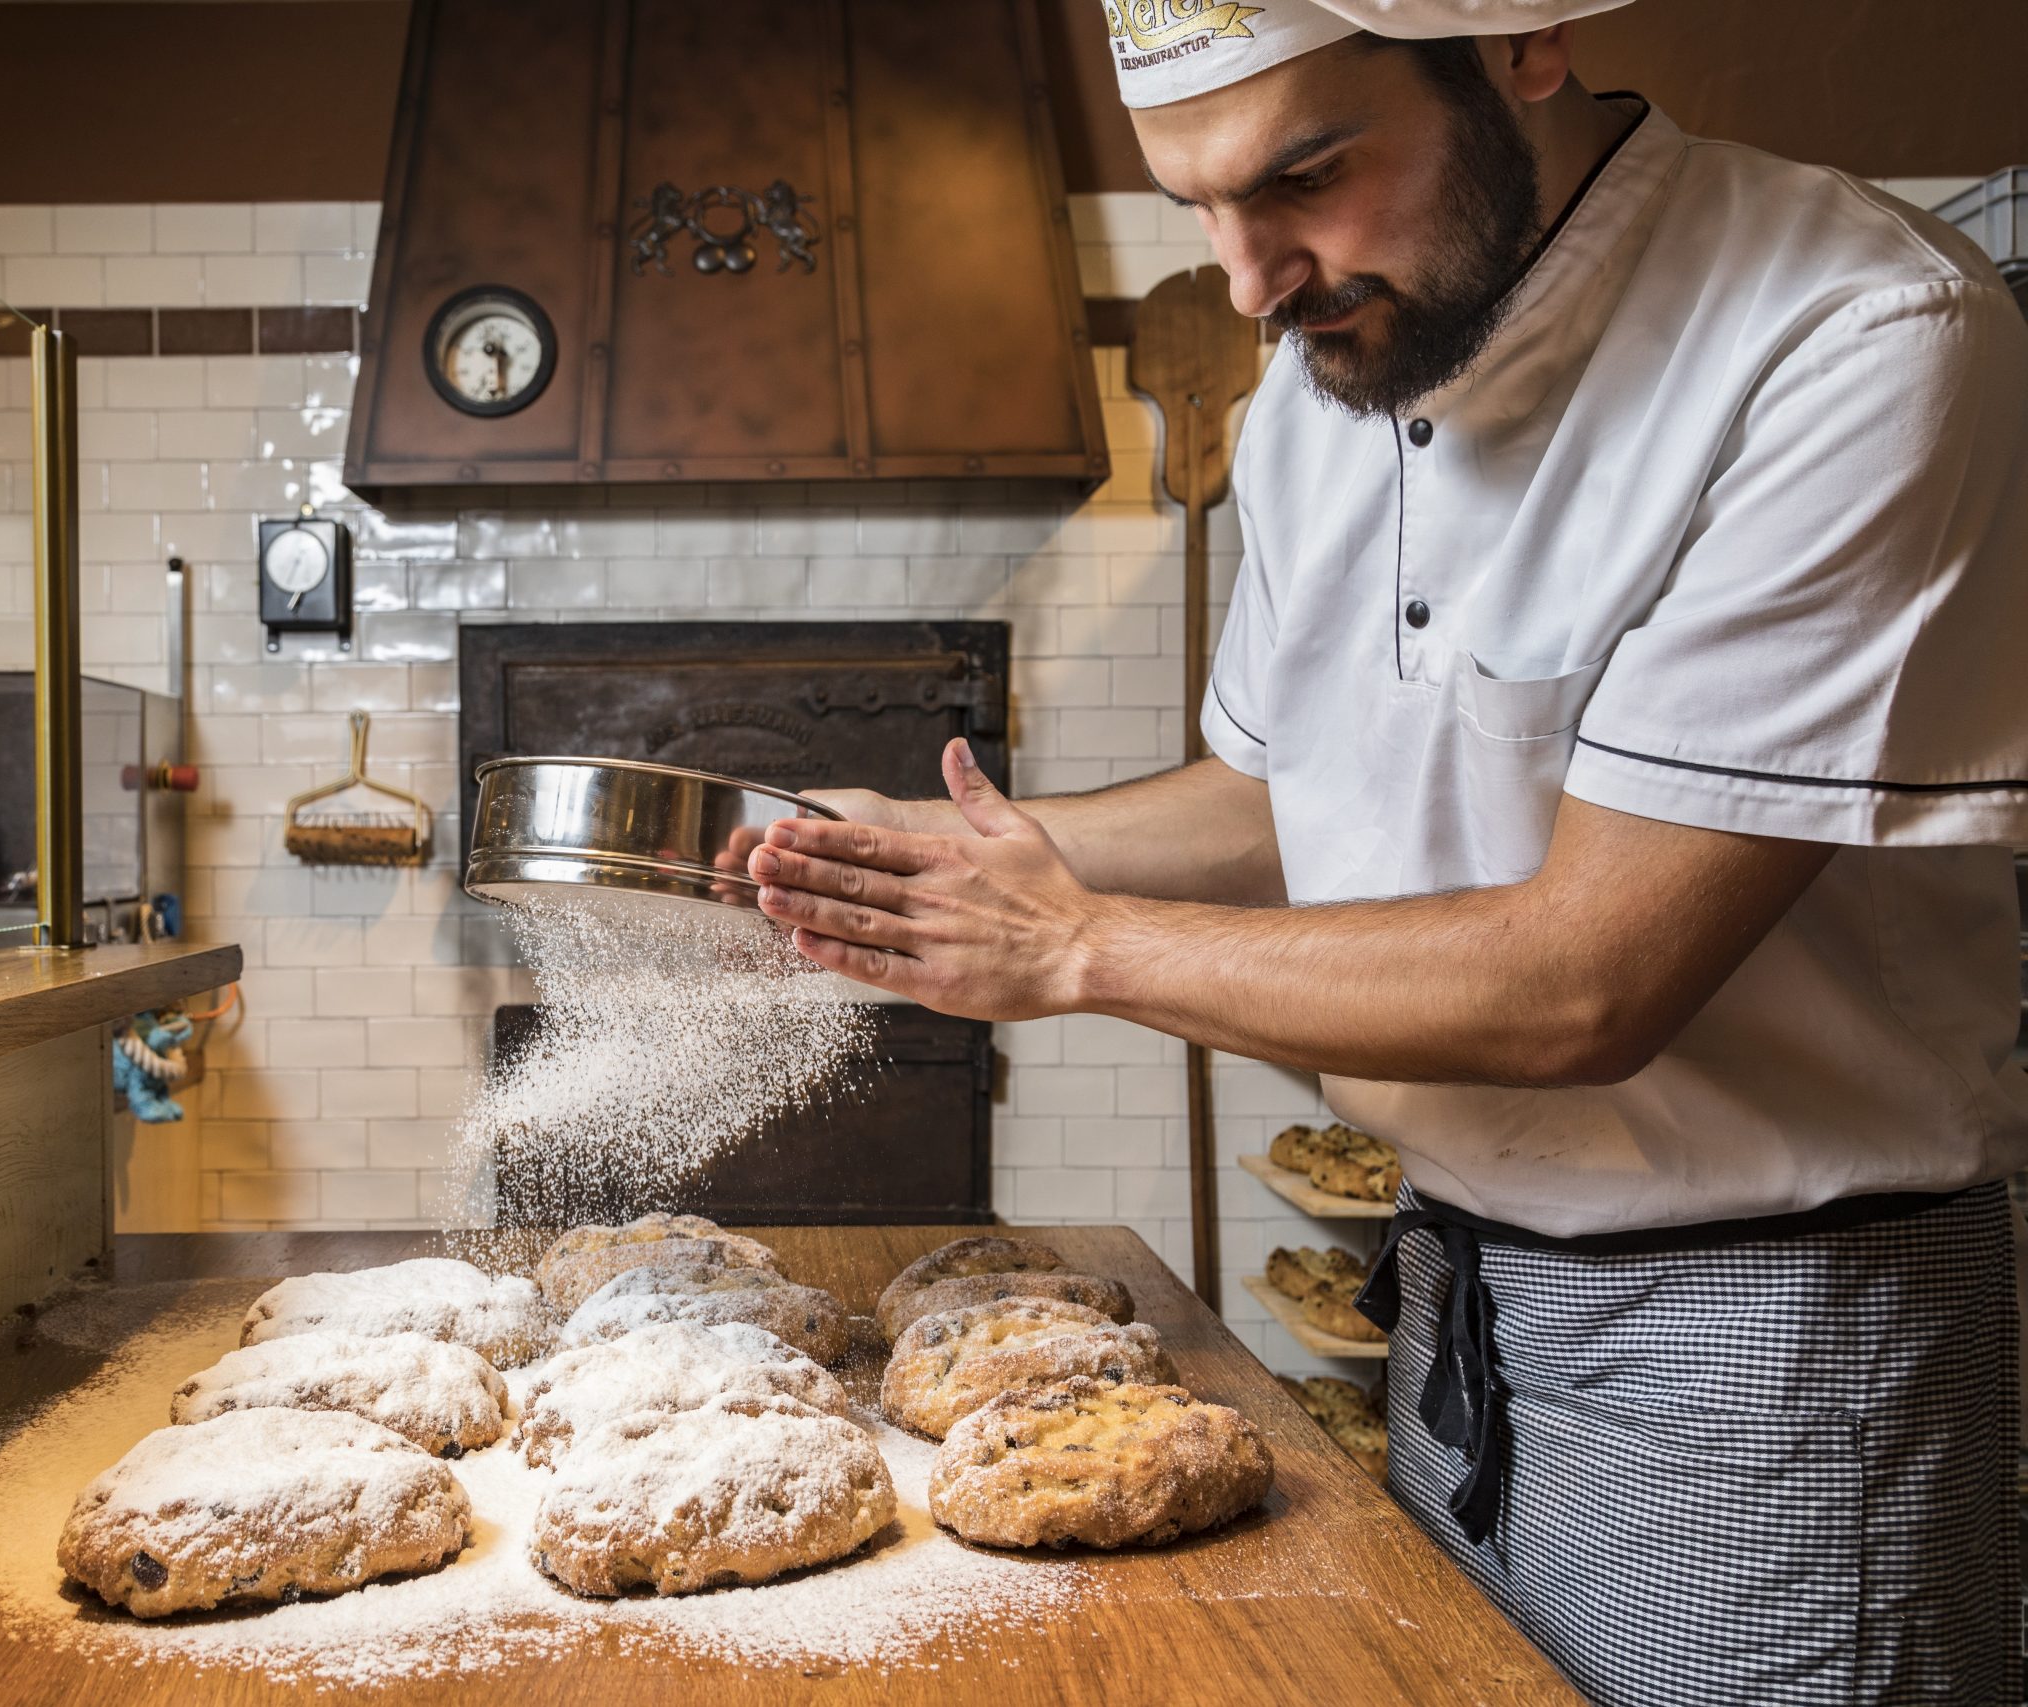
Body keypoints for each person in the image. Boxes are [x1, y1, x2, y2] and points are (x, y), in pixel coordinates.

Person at [745, 4, 2028, 1702]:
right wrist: (959, 850)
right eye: (1195, 207)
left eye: (1304, 177)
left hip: (1771, 1351)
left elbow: (1590, 978)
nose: (1250, 278)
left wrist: (1069, 947)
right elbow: (1285, 802)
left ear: (1521, 46)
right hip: (1454, 1299)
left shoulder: (1853, 337)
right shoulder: (1321, 386)